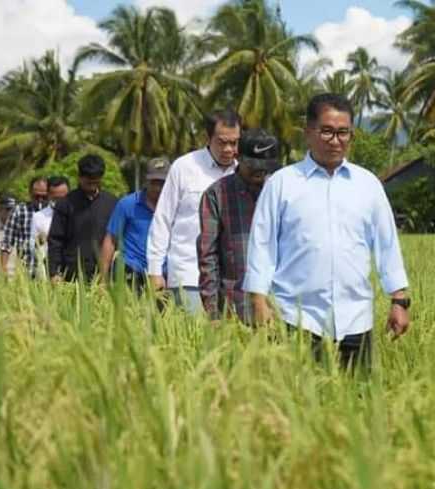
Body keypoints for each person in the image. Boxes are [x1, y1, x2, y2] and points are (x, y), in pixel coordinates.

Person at [243, 93, 411, 370]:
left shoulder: (367, 185)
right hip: (297, 319)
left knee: (360, 402)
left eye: (343, 132)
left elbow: (387, 246)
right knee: (299, 404)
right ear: (308, 133)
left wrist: (399, 300)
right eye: (327, 131)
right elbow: (262, 246)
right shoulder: (282, 184)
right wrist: (259, 301)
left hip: (356, 318)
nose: (336, 140)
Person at [146, 109, 241, 313]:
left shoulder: (243, 173)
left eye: (234, 143)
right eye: (222, 142)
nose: (228, 149)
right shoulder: (184, 167)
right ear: (208, 138)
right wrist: (154, 270)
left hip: (231, 280)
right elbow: (163, 219)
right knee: (193, 340)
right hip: (189, 275)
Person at [198, 129, 280, 323]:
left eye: (266, 167)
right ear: (238, 157)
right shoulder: (217, 195)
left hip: (281, 308)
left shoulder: (284, 193)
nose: (260, 172)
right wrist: (212, 312)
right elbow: (207, 256)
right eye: (253, 165)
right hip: (235, 309)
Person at [99, 157, 169, 293]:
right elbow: (111, 240)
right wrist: (102, 279)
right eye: (154, 182)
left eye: (162, 183)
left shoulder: (175, 207)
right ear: (146, 180)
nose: (158, 188)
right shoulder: (127, 204)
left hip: (163, 273)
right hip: (131, 270)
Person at [48, 154, 118, 282]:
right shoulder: (65, 203)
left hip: (103, 275)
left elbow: (117, 238)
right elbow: (55, 240)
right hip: (70, 274)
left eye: (95, 181)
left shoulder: (112, 203)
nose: (92, 185)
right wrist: (54, 272)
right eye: (88, 182)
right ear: (79, 177)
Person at [0, 177, 48, 276]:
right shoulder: (20, 210)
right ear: (30, 193)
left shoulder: (54, 212)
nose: (40, 200)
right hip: (26, 271)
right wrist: (3, 268)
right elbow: (7, 243)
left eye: (44, 197)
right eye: (37, 196)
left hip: (48, 272)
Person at [31, 176, 70, 279]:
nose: (59, 202)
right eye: (55, 198)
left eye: (63, 198)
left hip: (69, 268)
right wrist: (40, 239)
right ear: (48, 195)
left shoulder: (76, 215)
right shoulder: (38, 217)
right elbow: (31, 245)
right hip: (46, 270)